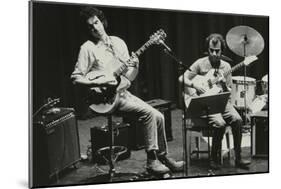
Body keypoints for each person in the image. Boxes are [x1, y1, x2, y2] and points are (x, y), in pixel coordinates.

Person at [70, 6, 184, 175]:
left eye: (96, 22)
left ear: (102, 21)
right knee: (150, 114)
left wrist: (135, 66)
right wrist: (101, 81)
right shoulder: (87, 48)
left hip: (122, 93)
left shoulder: (118, 43)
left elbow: (128, 78)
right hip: (104, 100)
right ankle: (151, 162)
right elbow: (76, 77)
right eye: (90, 26)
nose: (95, 28)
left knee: (159, 116)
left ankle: (163, 157)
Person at [179, 33, 251, 169]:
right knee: (219, 123)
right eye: (211, 50)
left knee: (238, 120)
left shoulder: (227, 67)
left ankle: (238, 157)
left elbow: (228, 91)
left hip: (222, 101)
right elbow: (181, 78)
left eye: (217, 51)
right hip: (205, 102)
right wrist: (195, 86)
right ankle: (214, 157)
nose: (214, 54)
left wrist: (223, 84)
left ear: (222, 50)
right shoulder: (200, 63)